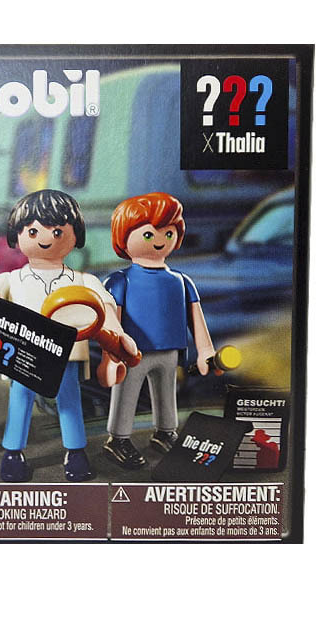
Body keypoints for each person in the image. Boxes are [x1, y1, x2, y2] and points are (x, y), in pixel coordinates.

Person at [0, 189, 136, 482]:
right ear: (17, 235)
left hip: (66, 353)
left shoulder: (83, 280)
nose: (46, 239)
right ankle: (13, 454)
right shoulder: (11, 280)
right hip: (23, 353)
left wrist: (117, 337)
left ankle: (76, 453)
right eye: (33, 231)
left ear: (75, 235)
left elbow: (105, 307)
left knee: (69, 399)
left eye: (57, 231)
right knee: (20, 399)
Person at [102, 192, 217, 469]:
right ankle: (118, 438)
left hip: (170, 351)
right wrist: (112, 355)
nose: (159, 240)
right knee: (126, 394)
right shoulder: (119, 281)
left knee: (167, 392)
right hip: (133, 352)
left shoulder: (181, 280)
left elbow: (195, 317)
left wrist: (205, 351)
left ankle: (166, 432)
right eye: (148, 234)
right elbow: (111, 320)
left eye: (168, 233)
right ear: (123, 237)